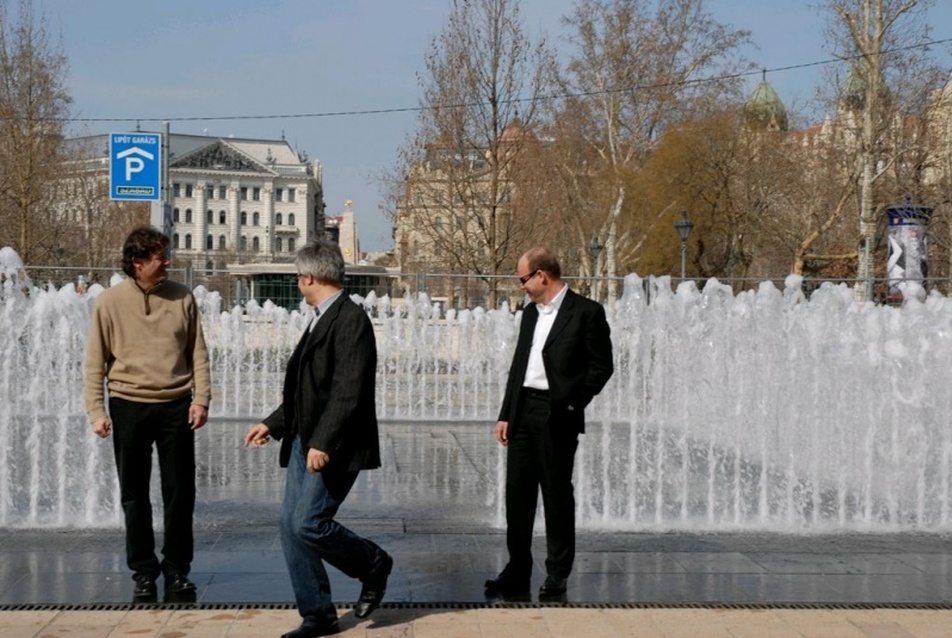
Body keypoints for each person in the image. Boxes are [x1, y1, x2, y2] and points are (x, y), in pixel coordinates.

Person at [244, 240, 392, 638]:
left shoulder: (350, 320)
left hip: (333, 444)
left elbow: (349, 390)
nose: (297, 282)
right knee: (290, 526)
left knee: (309, 523)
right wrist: (273, 423)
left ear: (309, 277)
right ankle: (317, 613)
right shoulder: (318, 317)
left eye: (297, 276)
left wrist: (323, 442)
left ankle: (373, 564)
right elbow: (306, 390)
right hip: (302, 439)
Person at [84, 225, 210, 600]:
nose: (167, 261)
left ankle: (176, 571)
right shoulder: (108, 302)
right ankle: (142, 572)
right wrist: (96, 410)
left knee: (179, 492)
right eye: (159, 256)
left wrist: (201, 398)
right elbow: (95, 361)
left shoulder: (183, 297)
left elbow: (198, 354)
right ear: (137, 262)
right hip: (128, 406)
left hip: (176, 407)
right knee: (134, 494)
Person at [485, 246, 614, 600]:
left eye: (523, 278)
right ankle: (517, 568)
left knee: (556, 495)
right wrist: (506, 413)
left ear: (542, 275)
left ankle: (557, 572)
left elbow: (601, 367)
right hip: (523, 410)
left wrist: (573, 403)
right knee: (518, 494)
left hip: (558, 413)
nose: (520, 285)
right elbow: (519, 367)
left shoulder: (586, 312)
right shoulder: (529, 314)